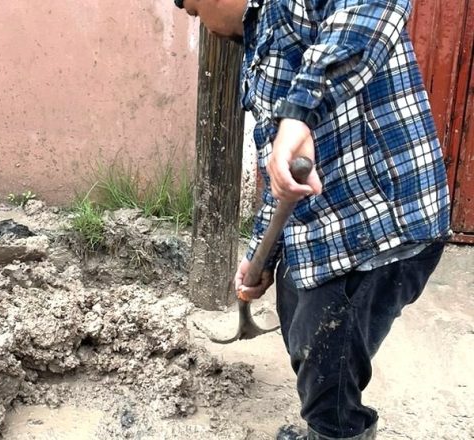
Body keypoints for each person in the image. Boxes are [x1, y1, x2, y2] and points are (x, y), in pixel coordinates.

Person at [174, 1, 450, 439]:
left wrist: (299, 113)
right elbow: (283, 171)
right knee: (299, 326)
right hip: (321, 229)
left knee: (327, 370)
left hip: (379, 230)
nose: (197, 22)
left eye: (191, 9)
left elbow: (371, 9)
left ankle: (337, 431)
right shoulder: (260, 43)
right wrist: (260, 257)